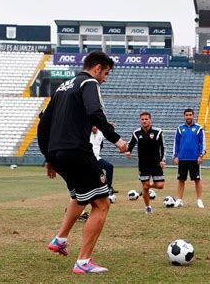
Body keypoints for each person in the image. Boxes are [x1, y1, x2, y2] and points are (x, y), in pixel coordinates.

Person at [37, 51, 128, 274]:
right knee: (102, 204)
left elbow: (43, 124)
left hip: (58, 153)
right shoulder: (89, 83)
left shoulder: (61, 88)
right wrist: (116, 140)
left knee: (79, 196)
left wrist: (48, 157)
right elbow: (95, 112)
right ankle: (83, 262)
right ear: (97, 68)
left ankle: (60, 239)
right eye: (106, 74)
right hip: (77, 151)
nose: (105, 79)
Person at [126, 112, 166, 214]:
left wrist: (162, 160)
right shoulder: (136, 133)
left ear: (150, 120)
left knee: (160, 185)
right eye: (142, 119)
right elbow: (131, 144)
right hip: (143, 165)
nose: (144, 121)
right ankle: (148, 207)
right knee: (145, 187)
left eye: (146, 119)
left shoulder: (158, 132)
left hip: (156, 163)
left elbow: (163, 147)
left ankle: (148, 186)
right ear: (140, 120)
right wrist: (128, 151)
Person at [173, 108, 205, 208]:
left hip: (195, 159)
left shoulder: (199, 128)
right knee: (181, 180)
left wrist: (200, 155)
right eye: (186, 115)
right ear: (184, 116)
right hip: (182, 158)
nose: (188, 117)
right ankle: (179, 199)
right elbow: (176, 143)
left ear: (193, 116)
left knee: (197, 180)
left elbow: (202, 143)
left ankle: (199, 200)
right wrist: (175, 156)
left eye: (190, 115)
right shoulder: (179, 129)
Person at [90, 126, 116, 195]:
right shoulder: (86, 133)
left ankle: (108, 187)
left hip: (97, 158)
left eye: (96, 126)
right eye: (93, 126)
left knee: (109, 167)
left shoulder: (101, 133)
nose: (95, 127)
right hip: (88, 159)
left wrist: (111, 127)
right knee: (97, 175)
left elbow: (109, 134)